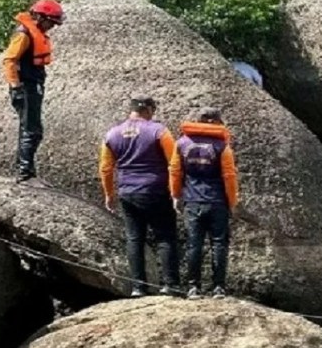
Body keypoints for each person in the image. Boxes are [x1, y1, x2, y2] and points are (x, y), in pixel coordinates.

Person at [99, 96, 180, 297]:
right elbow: (174, 162)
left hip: (127, 191)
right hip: (156, 190)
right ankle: (170, 285)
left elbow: (105, 168)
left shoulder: (112, 134)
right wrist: (176, 190)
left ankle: (138, 287)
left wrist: (109, 194)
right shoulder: (159, 131)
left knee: (135, 239)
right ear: (148, 110)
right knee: (165, 237)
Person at [169, 107, 239, 300]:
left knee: (194, 245)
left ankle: (193, 288)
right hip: (217, 201)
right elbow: (229, 176)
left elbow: (175, 171)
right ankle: (218, 288)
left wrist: (176, 195)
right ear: (218, 122)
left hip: (192, 201)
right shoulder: (222, 146)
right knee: (219, 244)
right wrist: (232, 202)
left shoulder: (181, 143)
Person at [2, 0, 64, 183]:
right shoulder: (24, 35)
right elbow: (9, 60)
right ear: (39, 17)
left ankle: (27, 170)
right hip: (25, 87)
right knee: (32, 130)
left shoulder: (34, 32)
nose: (51, 27)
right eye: (50, 22)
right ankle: (24, 173)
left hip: (32, 85)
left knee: (29, 129)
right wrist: (15, 87)